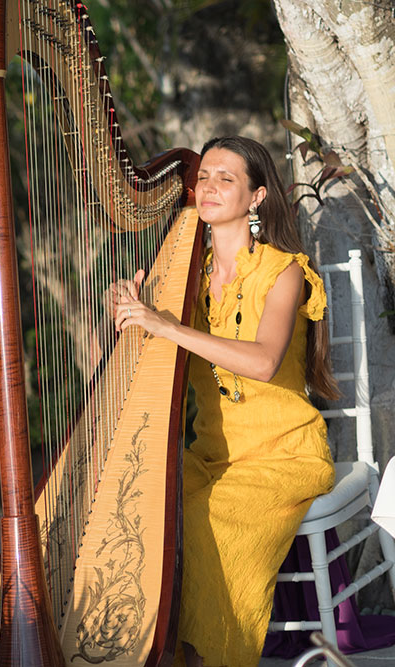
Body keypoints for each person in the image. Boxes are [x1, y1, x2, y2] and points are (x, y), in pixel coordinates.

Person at [112, 136, 338, 667]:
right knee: (139, 521)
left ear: (257, 196)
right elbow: (149, 364)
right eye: (204, 177)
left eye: (226, 178)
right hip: (210, 457)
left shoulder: (282, 271)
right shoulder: (182, 276)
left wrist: (168, 325)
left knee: (209, 525)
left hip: (283, 456)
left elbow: (261, 361)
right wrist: (130, 315)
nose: (207, 187)